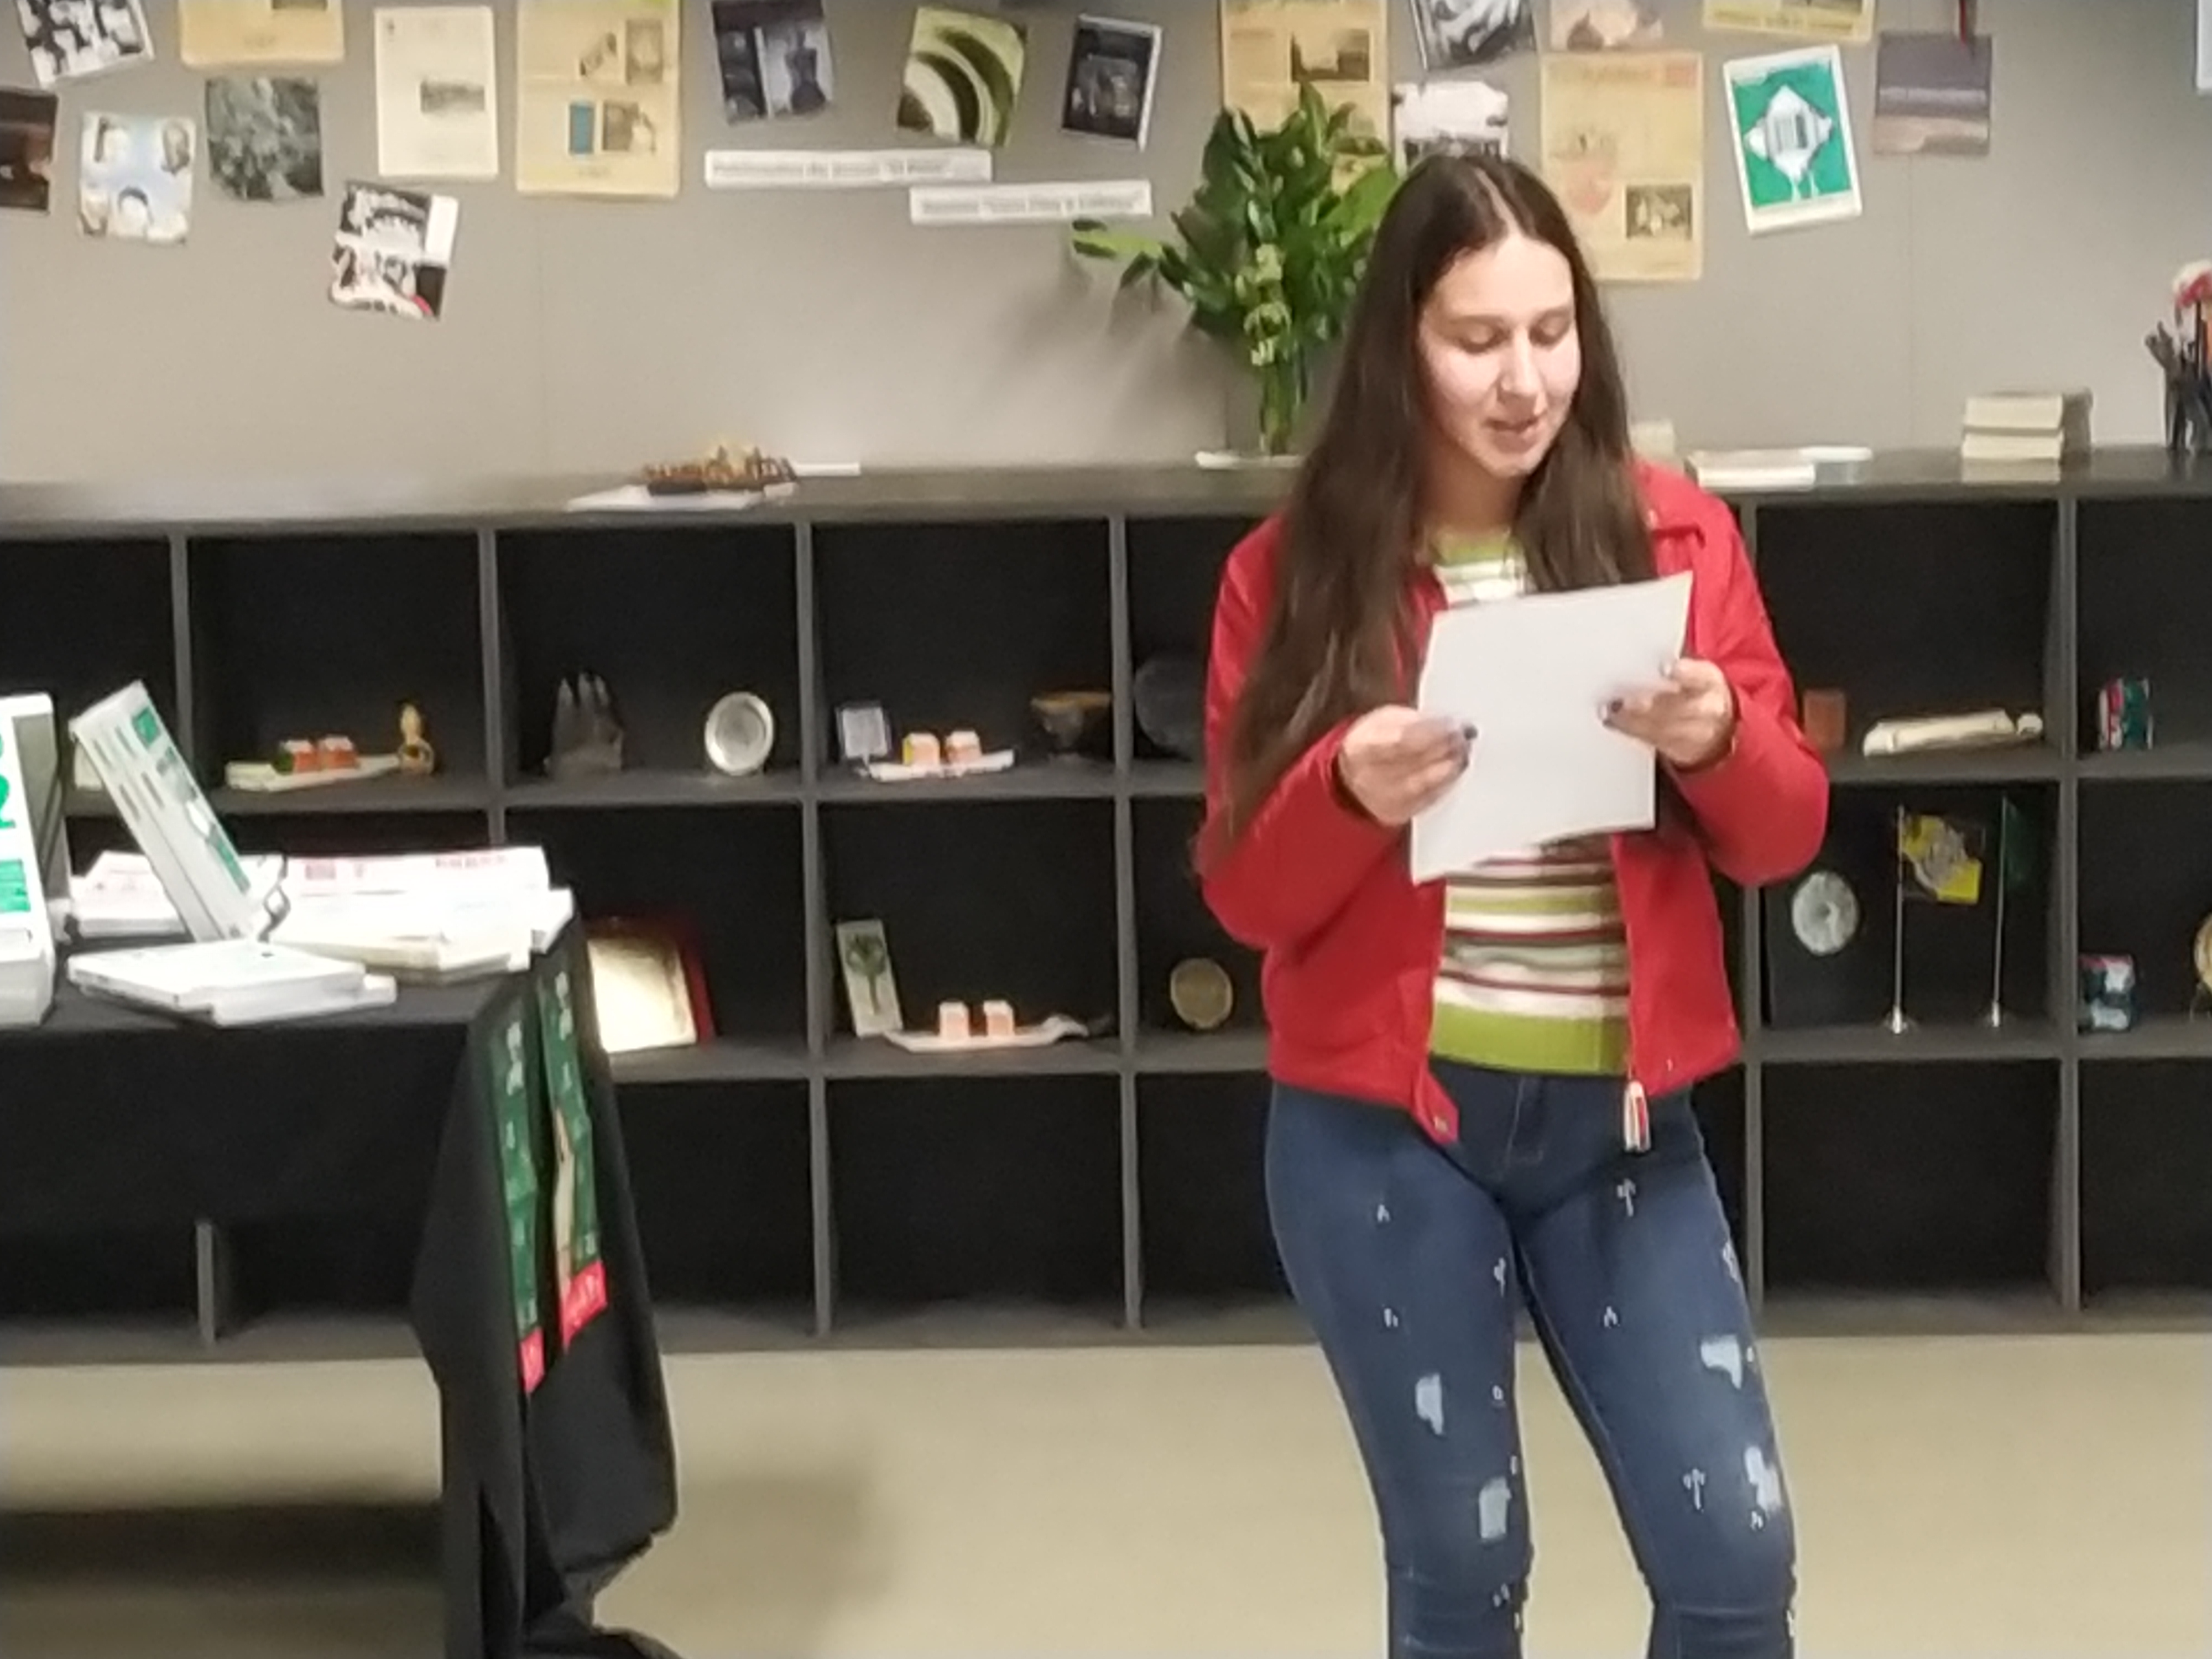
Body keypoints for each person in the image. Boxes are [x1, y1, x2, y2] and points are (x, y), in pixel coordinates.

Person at [1196, 149, 1828, 1659]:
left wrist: (1719, 740)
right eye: (1476, 339)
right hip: (1387, 1132)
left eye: (1552, 333)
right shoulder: (1293, 575)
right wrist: (1348, 790)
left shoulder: (1677, 539)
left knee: (1737, 1564)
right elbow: (1247, 895)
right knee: (1465, 1571)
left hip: (1622, 1128)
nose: (1524, 380)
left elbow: (1786, 835)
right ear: (1398, 347)